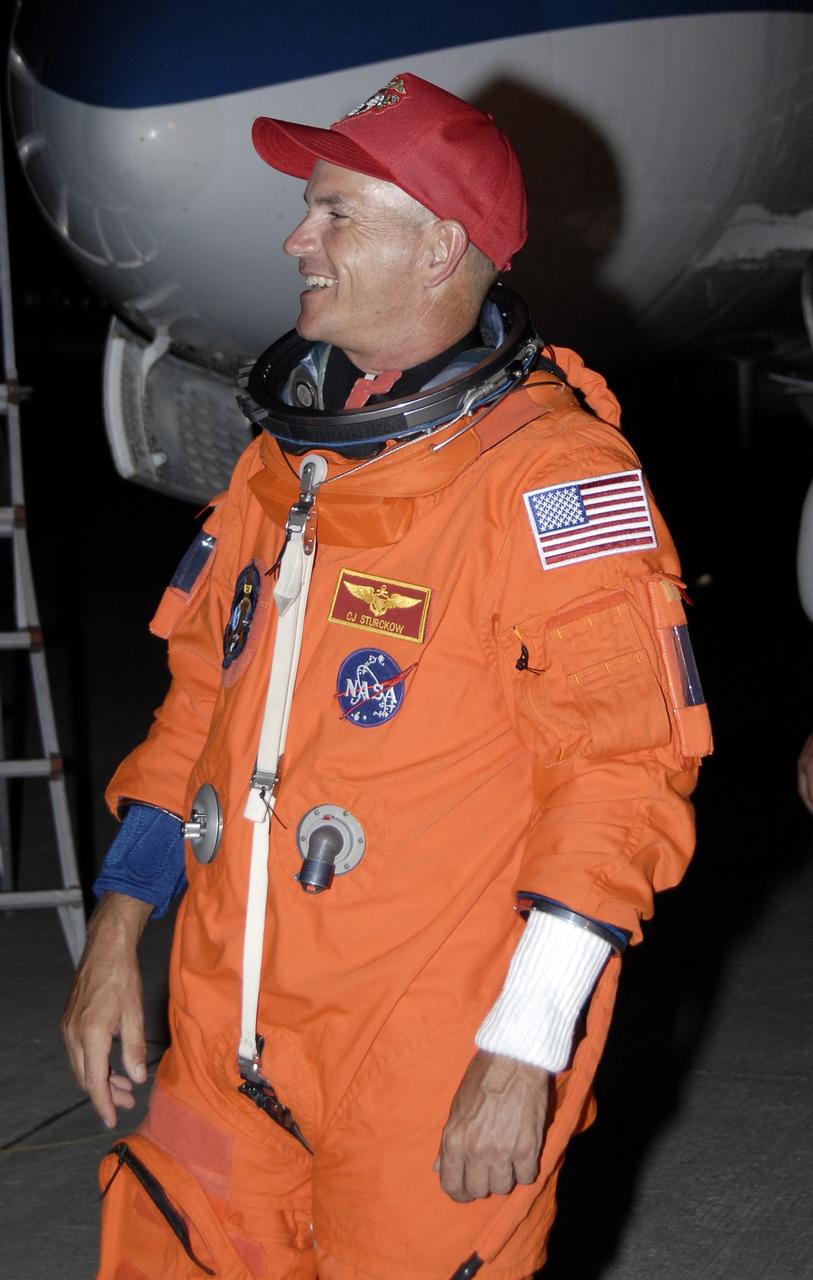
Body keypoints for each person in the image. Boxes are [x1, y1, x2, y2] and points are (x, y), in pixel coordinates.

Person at [63, 73, 712, 1280]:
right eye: (307, 210)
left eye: (334, 212)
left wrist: (525, 1044)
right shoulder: (282, 465)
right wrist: (118, 926)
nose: (295, 238)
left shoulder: (553, 479)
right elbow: (199, 704)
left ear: (440, 246)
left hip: (426, 1050)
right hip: (224, 1023)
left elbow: (621, 774)